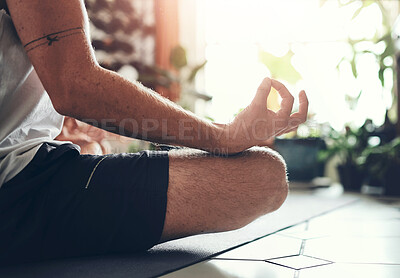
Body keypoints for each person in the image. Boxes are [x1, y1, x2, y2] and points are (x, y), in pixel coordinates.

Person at [0, 0, 308, 265]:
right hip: (17, 190)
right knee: (263, 176)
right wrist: (223, 136)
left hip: (24, 174)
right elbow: (75, 85)